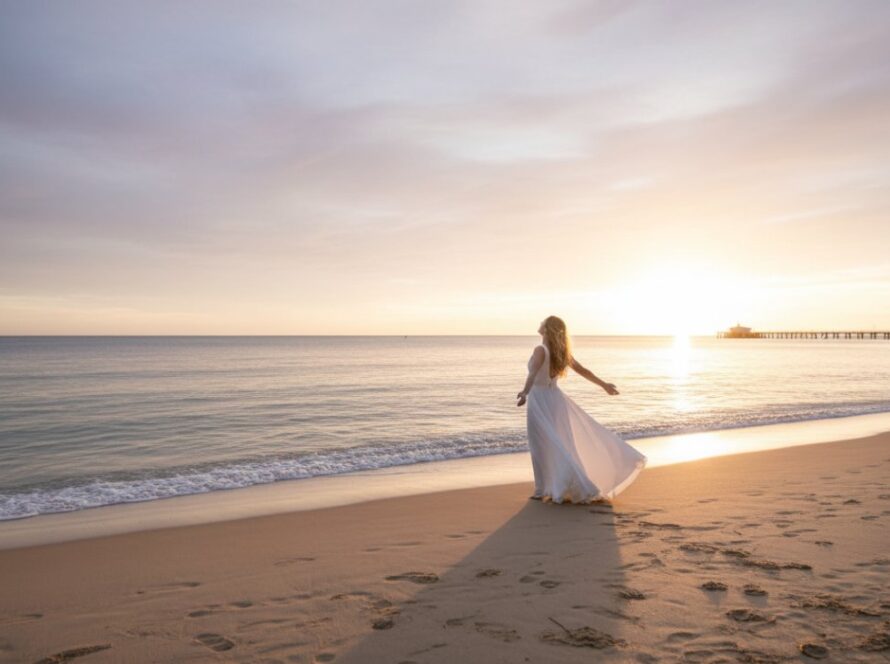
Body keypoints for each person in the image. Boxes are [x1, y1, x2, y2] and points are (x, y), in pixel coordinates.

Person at [516, 315, 646, 503]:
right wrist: (603, 385)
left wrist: (525, 393)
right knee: (559, 442)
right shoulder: (560, 351)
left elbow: (533, 373)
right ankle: (551, 487)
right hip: (555, 399)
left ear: (547, 329)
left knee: (541, 444)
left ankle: (543, 489)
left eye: (542, 323)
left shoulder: (540, 349)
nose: (539, 324)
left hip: (540, 399)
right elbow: (584, 370)